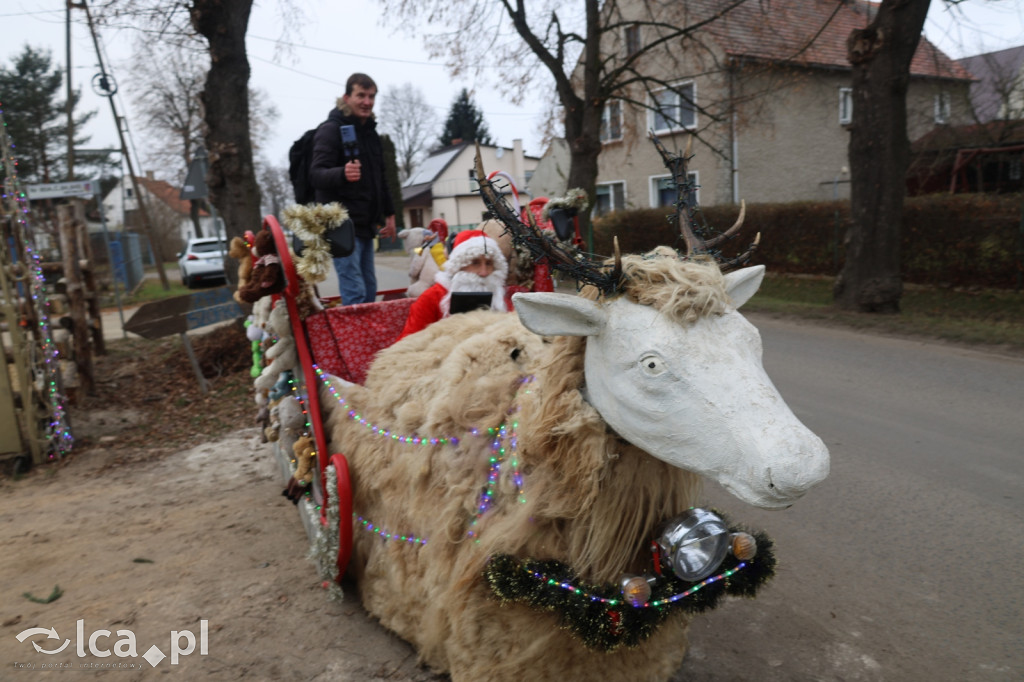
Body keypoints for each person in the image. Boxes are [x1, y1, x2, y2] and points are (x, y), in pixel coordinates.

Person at [309, 73, 396, 305]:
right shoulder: (331, 129)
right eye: (361, 95)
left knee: (369, 289)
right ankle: (357, 341)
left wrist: (389, 213)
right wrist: (342, 173)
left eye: (371, 96)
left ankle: (368, 339)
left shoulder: (371, 134)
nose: (367, 102)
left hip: (366, 224)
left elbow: (381, 178)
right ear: (347, 97)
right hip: (341, 226)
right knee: (355, 291)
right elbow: (315, 174)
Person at [399, 230, 508, 339]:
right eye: (475, 263)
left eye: (489, 263)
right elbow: (407, 346)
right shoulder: (431, 298)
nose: (484, 272)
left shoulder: (499, 296)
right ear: (458, 266)